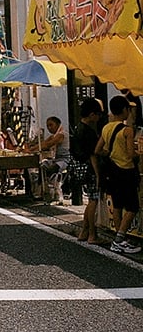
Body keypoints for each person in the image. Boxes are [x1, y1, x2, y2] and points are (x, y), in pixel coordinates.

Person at [94, 95, 141, 254]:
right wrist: (137, 154)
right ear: (124, 110)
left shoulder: (106, 128)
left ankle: (119, 239)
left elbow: (98, 150)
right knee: (133, 207)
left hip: (113, 172)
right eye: (129, 109)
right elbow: (130, 154)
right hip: (126, 171)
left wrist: (111, 153)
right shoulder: (127, 130)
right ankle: (119, 239)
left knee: (118, 206)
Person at [70, 98, 103, 244]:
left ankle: (84, 231)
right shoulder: (88, 132)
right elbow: (93, 155)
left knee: (90, 200)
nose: (99, 117)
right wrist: (97, 175)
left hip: (80, 168)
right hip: (90, 169)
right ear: (91, 114)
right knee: (93, 201)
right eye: (97, 114)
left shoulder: (78, 128)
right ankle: (92, 234)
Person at [28, 116, 70, 202]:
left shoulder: (61, 134)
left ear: (58, 124)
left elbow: (47, 145)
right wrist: (30, 150)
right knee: (42, 166)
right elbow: (43, 143)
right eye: (48, 126)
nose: (49, 128)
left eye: (51, 125)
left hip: (65, 160)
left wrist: (30, 150)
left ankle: (56, 191)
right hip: (56, 159)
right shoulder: (53, 136)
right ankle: (40, 191)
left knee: (52, 169)